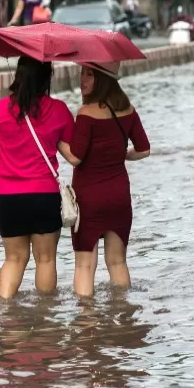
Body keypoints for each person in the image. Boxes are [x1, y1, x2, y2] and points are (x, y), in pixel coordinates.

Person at [0, 57, 74, 299]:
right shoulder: (59, 110)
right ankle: (45, 318)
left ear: (18, 76)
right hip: (44, 196)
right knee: (46, 259)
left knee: (14, 259)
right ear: (47, 77)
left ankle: (5, 312)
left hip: (7, 199)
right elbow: (75, 152)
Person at [57, 63, 150, 298]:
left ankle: (86, 323)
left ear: (104, 79)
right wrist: (121, 155)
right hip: (119, 194)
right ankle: (123, 316)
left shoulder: (86, 113)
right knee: (118, 263)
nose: (82, 80)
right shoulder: (128, 109)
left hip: (90, 198)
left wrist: (56, 140)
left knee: (85, 265)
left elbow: (75, 157)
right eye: (82, 74)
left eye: (90, 75)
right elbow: (144, 150)